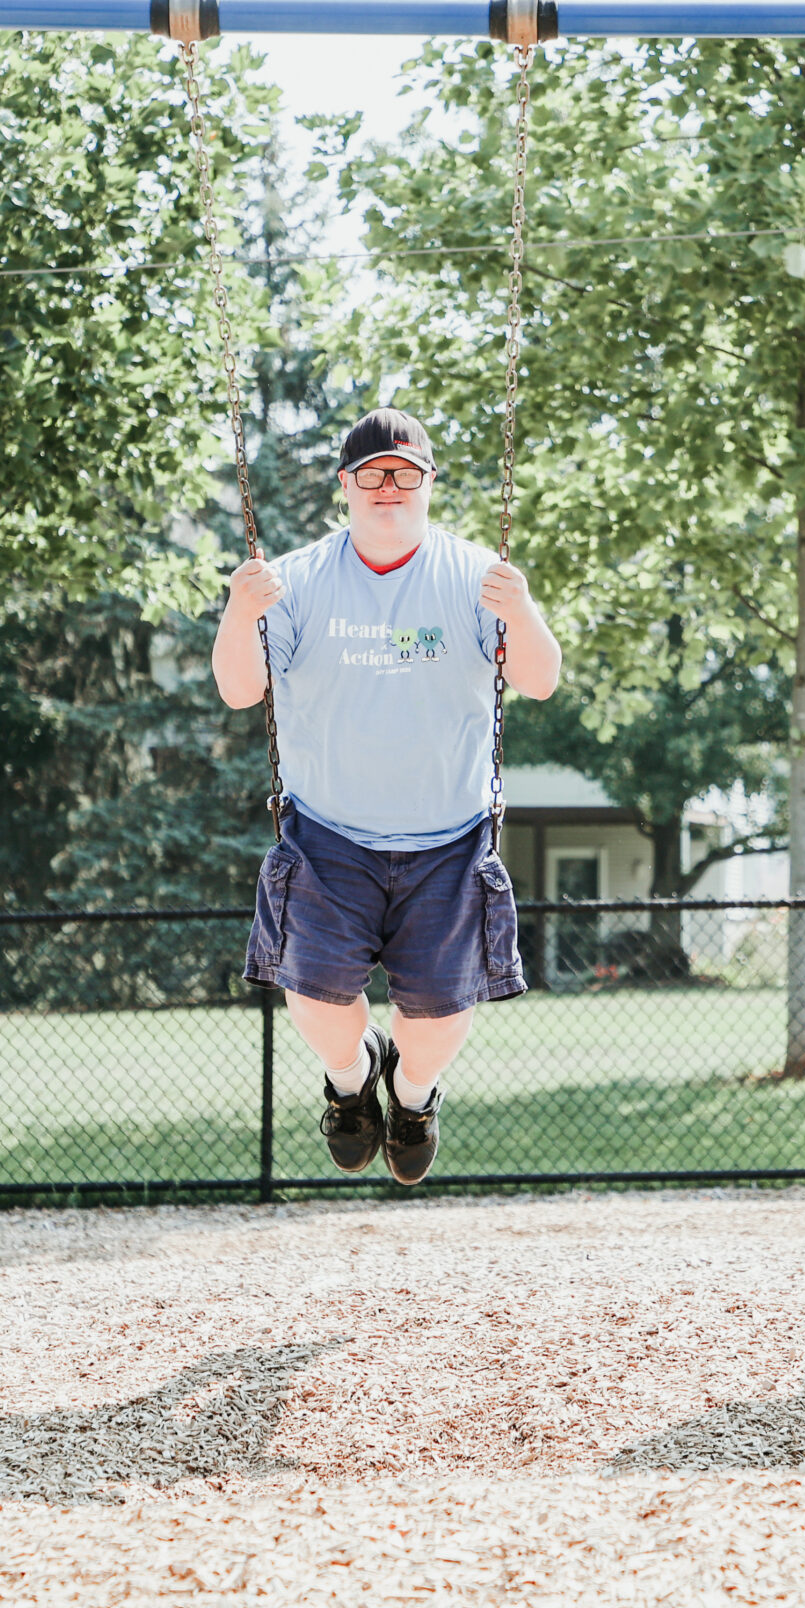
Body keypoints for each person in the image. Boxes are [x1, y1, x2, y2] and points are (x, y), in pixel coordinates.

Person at [212, 407, 563, 1186]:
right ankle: (350, 1080)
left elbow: (539, 678)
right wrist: (241, 611)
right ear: (346, 485)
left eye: (406, 473)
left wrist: (523, 610)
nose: (388, 487)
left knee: (440, 1018)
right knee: (315, 998)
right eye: (372, 473)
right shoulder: (296, 581)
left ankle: (411, 1093)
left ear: (430, 484)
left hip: (448, 837)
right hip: (330, 836)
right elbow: (241, 690)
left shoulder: (477, 578)